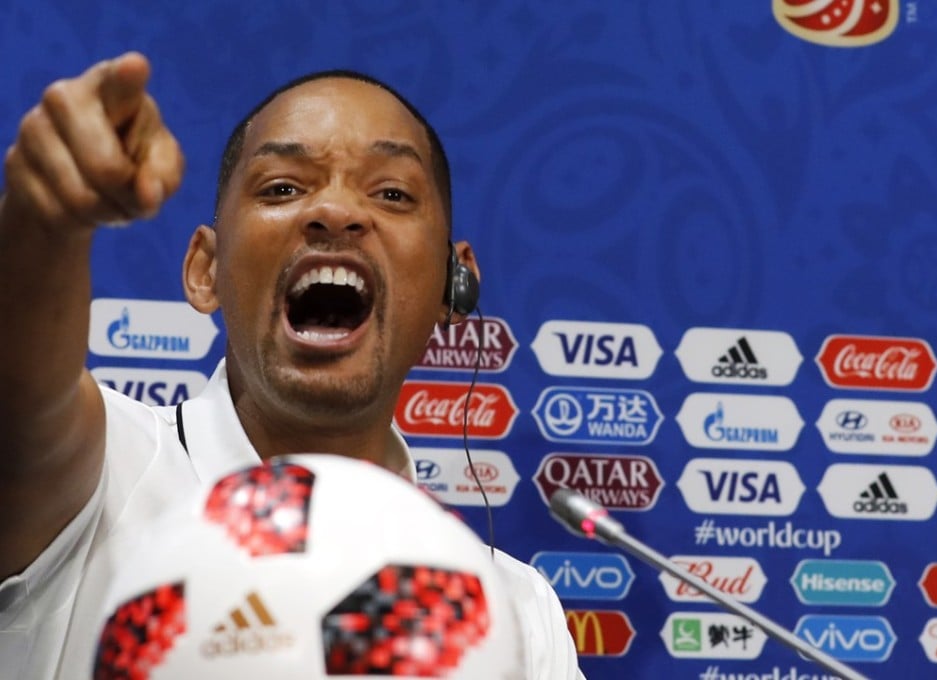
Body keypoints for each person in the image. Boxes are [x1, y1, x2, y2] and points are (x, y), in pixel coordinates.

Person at [0, 52, 582, 679]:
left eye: (391, 192)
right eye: (282, 187)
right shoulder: (102, 470)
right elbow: (24, 408)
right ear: (205, 270)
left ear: (453, 283)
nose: (335, 211)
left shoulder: (515, 611)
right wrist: (44, 221)